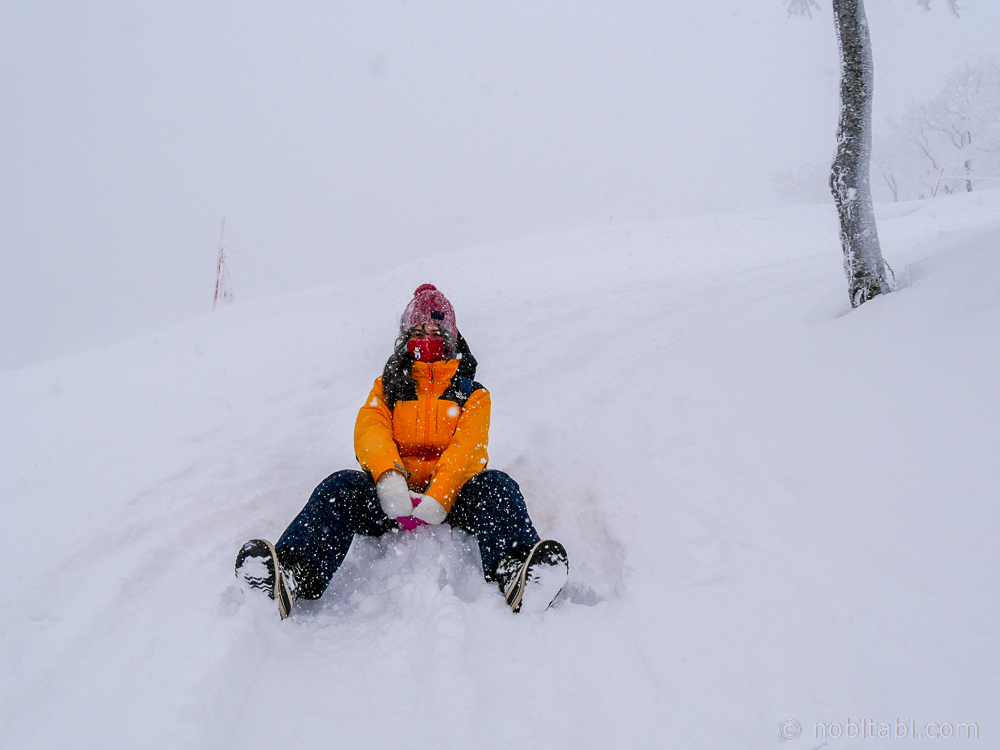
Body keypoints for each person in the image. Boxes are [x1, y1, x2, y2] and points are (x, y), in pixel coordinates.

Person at [236, 284, 568, 619]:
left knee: (498, 487)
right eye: (420, 330)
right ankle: (290, 575)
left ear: (451, 336)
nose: (428, 336)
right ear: (406, 334)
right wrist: (389, 478)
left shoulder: (472, 394)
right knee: (339, 487)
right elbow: (371, 430)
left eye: (436, 330)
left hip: (452, 501)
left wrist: (440, 495)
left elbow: (469, 449)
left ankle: (518, 572)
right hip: (390, 497)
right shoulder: (387, 387)